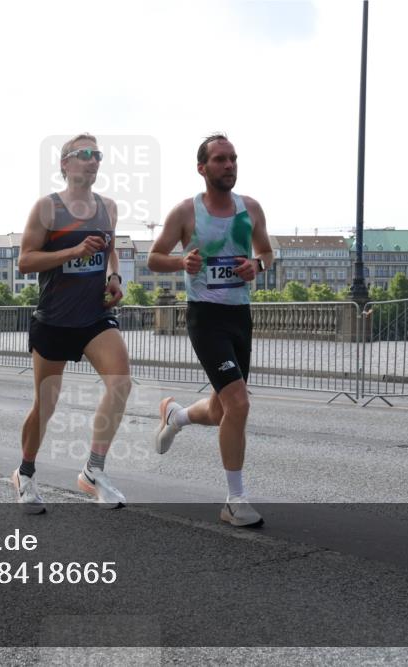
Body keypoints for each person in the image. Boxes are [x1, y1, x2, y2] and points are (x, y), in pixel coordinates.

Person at [148, 134, 274, 527]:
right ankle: (234, 500)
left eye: (233, 158)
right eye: (220, 159)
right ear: (202, 168)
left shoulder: (250, 209)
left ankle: (177, 417)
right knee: (239, 404)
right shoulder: (186, 213)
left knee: (223, 410)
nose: (229, 165)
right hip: (205, 317)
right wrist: (180, 263)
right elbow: (153, 258)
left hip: (240, 317)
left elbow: (267, 252)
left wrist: (259, 266)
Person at [12, 133, 129, 513]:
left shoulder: (108, 207)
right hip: (55, 319)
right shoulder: (47, 208)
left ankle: (94, 470)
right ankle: (25, 474)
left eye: (97, 155)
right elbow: (25, 261)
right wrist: (74, 251)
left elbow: (111, 250)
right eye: (84, 155)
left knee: (121, 382)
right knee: (45, 404)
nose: (92, 161)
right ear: (65, 164)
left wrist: (115, 278)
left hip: (94, 317)